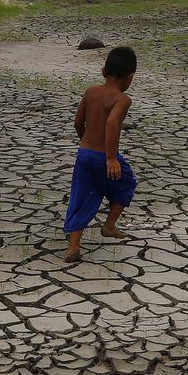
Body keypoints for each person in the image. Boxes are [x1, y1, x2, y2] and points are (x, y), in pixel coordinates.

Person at [63, 46, 138, 263]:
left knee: (80, 196)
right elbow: (112, 122)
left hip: (84, 154)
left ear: (103, 71)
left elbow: (78, 122)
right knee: (127, 184)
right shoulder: (122, 99)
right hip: (103, 156)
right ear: (130, 77)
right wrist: (111, 157)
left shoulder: (91, 92)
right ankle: (109, 225)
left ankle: (73, 247)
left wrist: (85, 141)